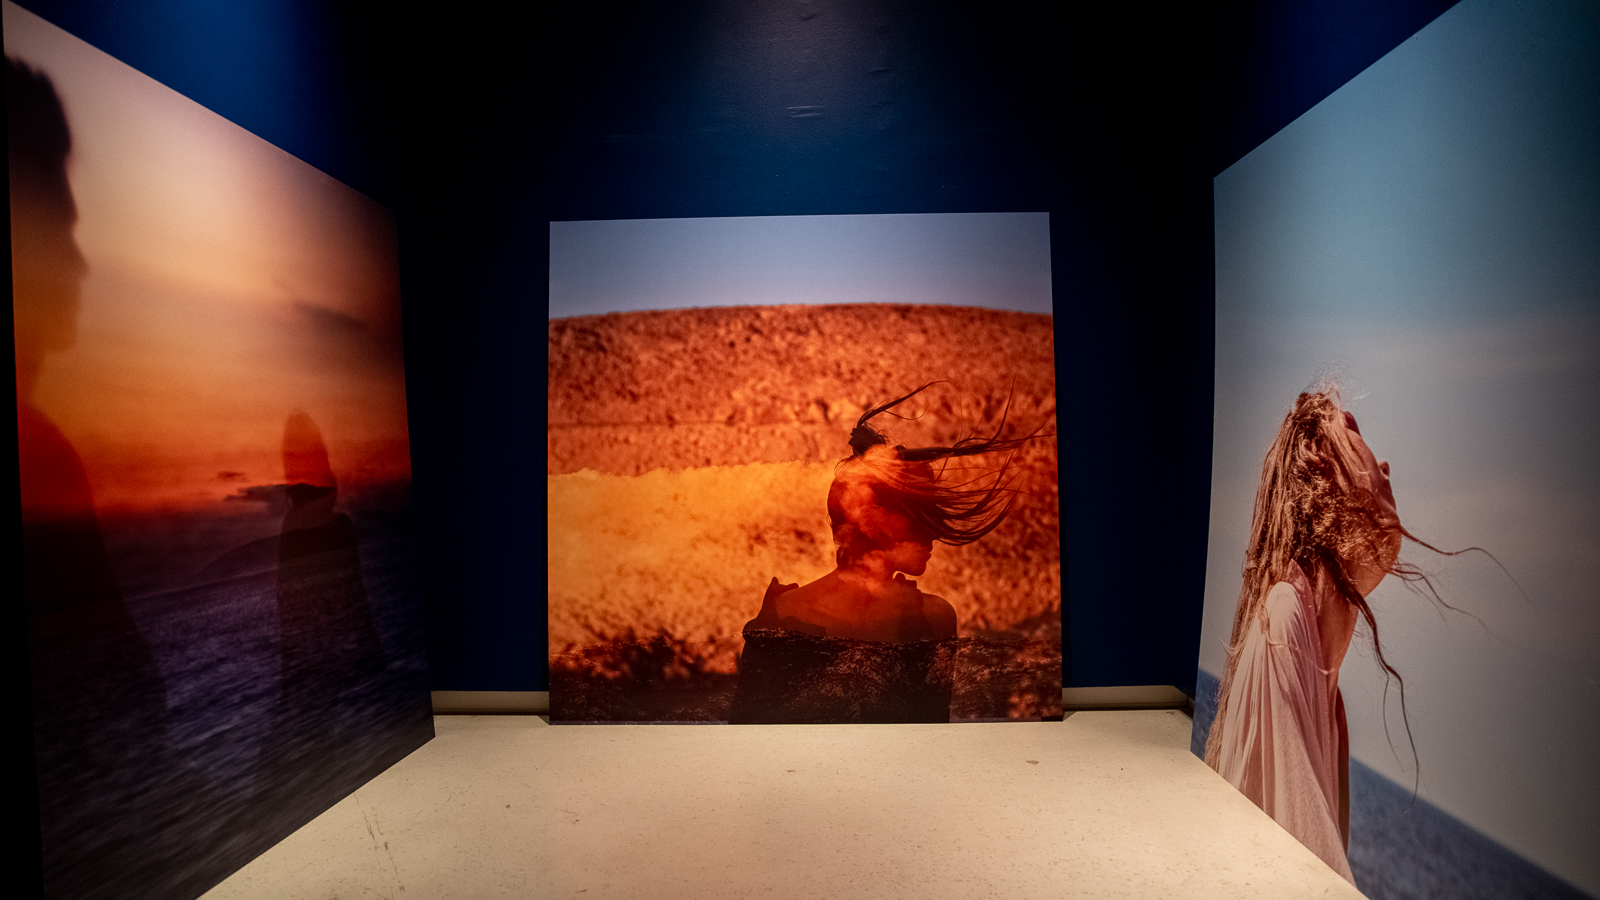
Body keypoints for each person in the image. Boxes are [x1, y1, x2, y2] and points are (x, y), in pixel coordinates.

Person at [729, 384, 1037, 724]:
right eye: (919, 519)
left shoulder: (935, 618)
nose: (934, 532)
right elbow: (750, 735)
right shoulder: (781, 617)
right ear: (871, 521)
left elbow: (931, 735)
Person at [1204, 388, 1405, 883]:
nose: (1384, 465)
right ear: (1320, 462)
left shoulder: (1330, 700)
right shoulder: (1283, 622)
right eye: (1353, 432)